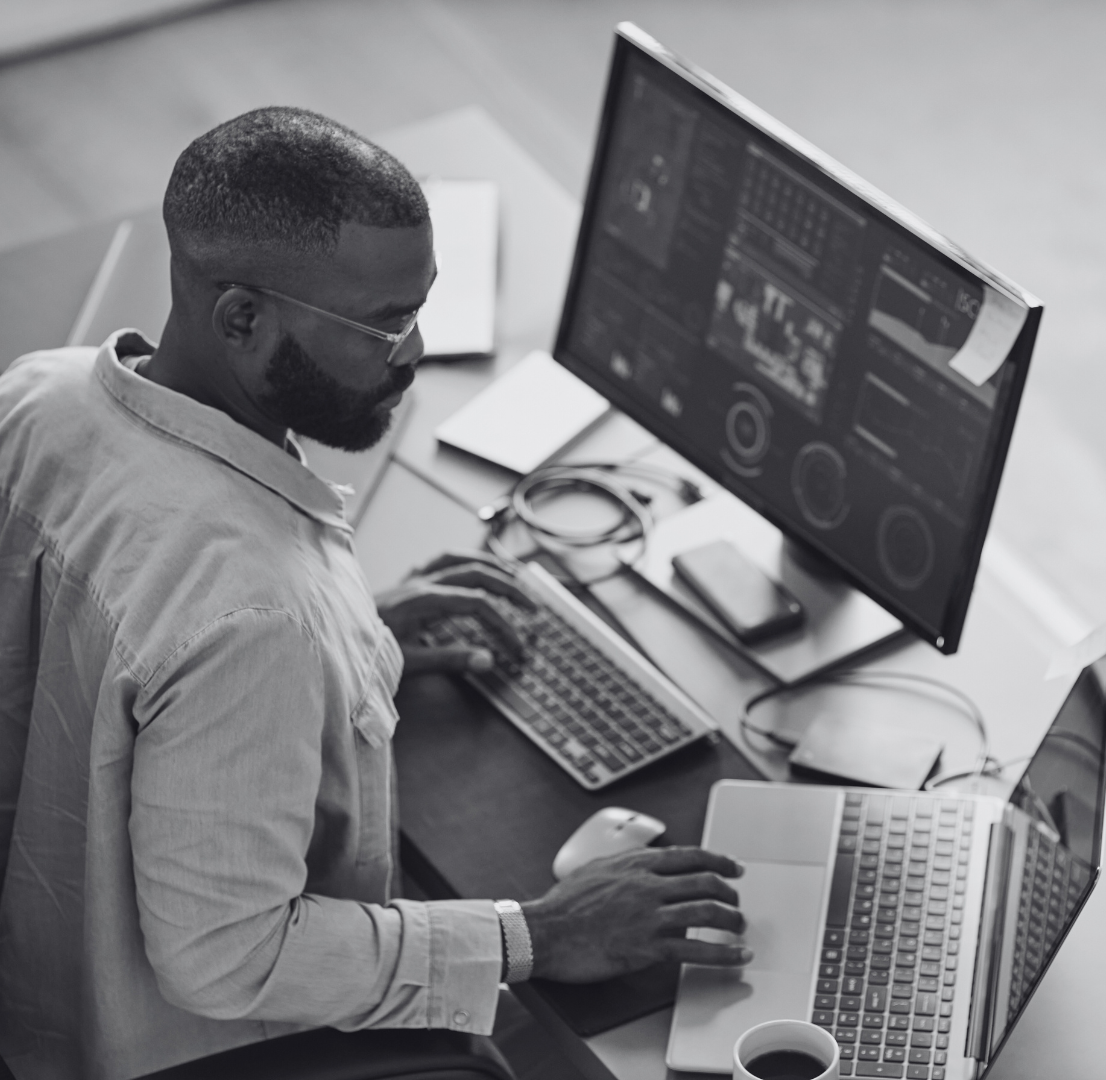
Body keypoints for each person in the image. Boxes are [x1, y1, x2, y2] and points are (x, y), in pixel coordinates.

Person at [0, 107, 749, 1080]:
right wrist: (536, 934)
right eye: (385, 324)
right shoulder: (257, 614)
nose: (415, 351)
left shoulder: (39, 395)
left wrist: (349, 644)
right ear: (241, 318)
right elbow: (227, 957)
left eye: (421, 306)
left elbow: (111, 641)